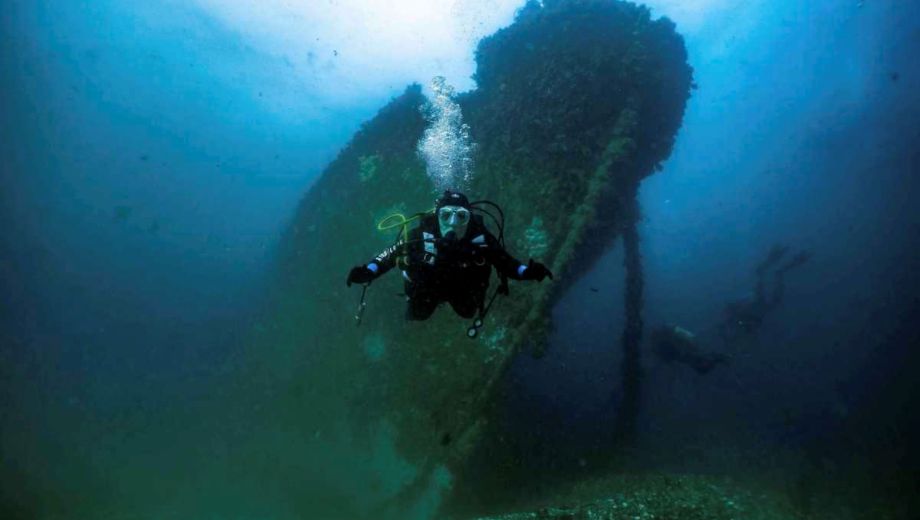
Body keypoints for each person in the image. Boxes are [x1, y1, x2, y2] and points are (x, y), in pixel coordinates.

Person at [346, 190, 553, 321]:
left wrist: (527, 272)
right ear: (437, 216)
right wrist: (369, 270)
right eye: (446, 215)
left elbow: (505, 261)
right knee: (417, 316)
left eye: (461, 216)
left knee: (468, 312)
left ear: (469, 218)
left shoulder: (479, 238)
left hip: (461, 289)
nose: (453, 223)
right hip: (426, 288)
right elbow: (391, 253)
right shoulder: (421, 235)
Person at [718, 244, 811, 344]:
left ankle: (781, 257)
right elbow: (752, 325)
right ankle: (783, 257)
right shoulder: (736, 319)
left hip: (760, 303)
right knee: (771, 274)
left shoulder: (734, 316)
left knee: (769, 274)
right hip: (762, 304)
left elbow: (749, 319)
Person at [651, 324, 728, 375]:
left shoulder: (668, 336)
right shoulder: (667, 336)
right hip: (685, 353)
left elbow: (672, 353)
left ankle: (718, 358)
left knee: (698, 360)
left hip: (686, 352)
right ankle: (718, 358)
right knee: (698, 360)